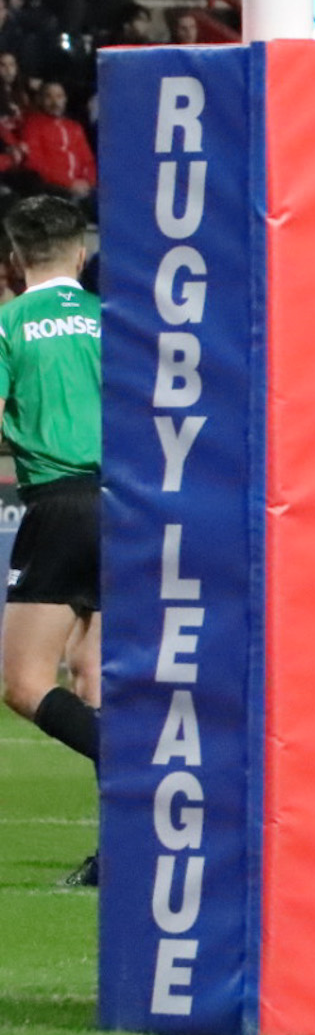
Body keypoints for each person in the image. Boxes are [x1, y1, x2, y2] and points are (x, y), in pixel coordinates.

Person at [0, 197, 99, 885]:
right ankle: (121, 852)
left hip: (60, 505)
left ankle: (136, 761)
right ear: (81, 254)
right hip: (134, 507)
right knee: (93, 675)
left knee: (24, 682)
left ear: (14, 259)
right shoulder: (112, 318)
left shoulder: (10, 324)